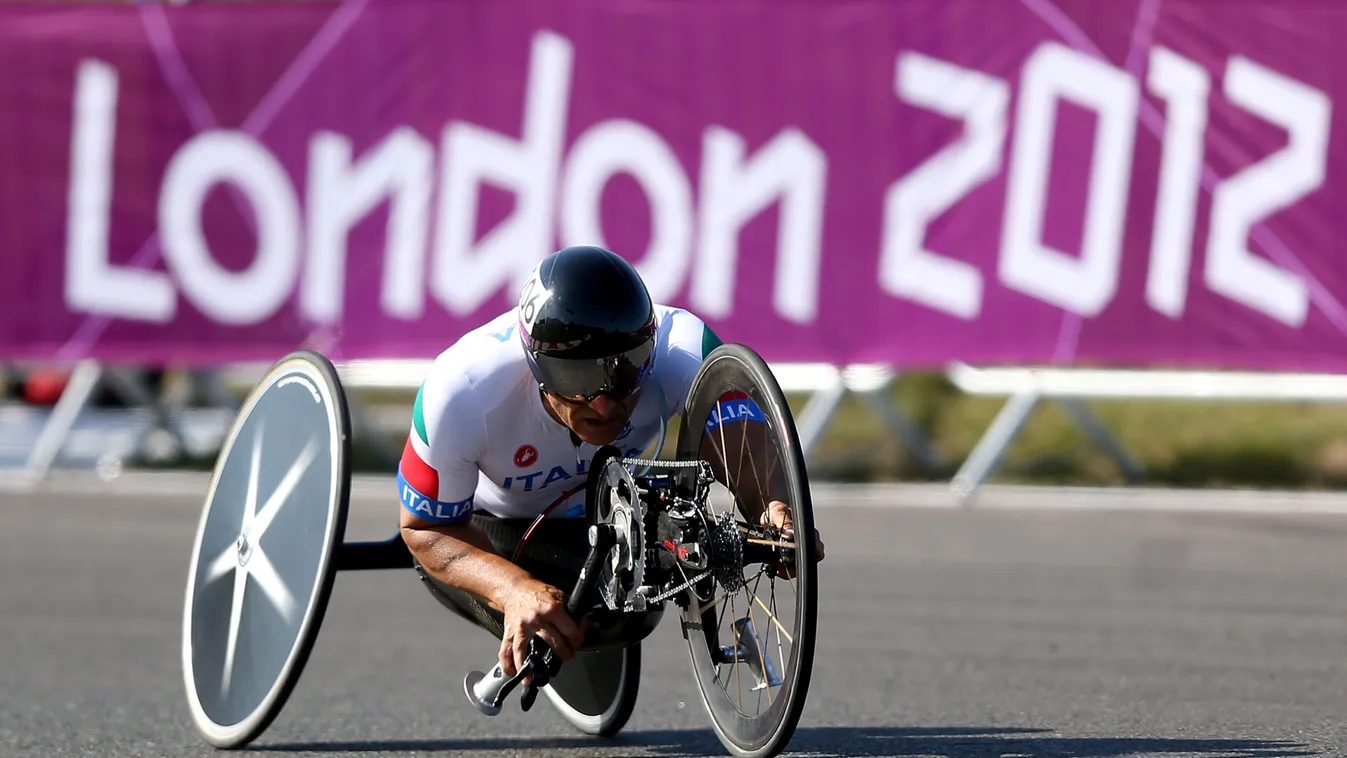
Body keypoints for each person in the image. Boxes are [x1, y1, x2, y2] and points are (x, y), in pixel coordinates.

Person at [395, 244, 825, 689]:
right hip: (496, 527)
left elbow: (748, 450)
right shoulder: (461, 390)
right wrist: (513, 589)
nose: (605, 404)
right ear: (536, 366)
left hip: (617, 514)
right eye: (577, 380)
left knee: (620, 616)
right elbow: (423, 530)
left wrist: (773, 507)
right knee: (577, 619)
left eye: (626, 371)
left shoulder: (684, 348)